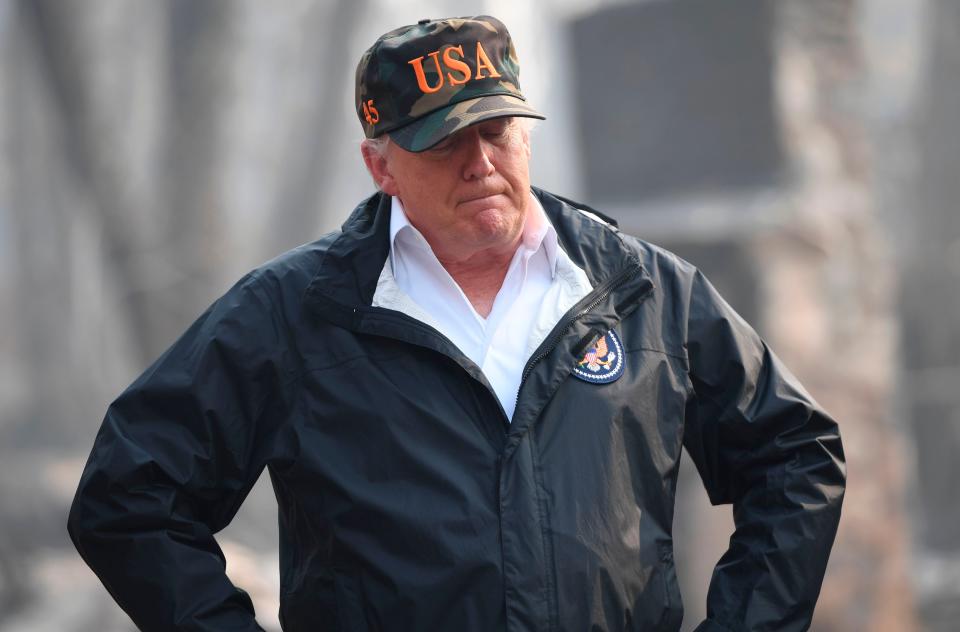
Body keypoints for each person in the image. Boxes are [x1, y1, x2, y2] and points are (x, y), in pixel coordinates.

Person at [68, 15, 846, 632]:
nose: (479, 162)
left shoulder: (640, 291)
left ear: (525, 134)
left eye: (496, 129)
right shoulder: (295, 315)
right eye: (443, 141)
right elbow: (128, 499)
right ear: (382, 166)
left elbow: (795, 456)